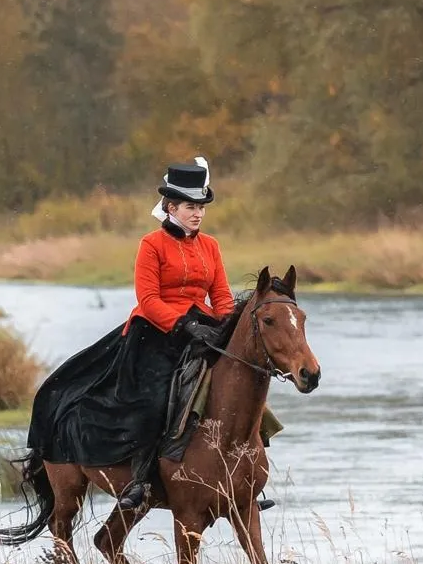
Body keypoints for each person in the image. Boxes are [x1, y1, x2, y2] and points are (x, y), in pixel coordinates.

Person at [22, 157, 275, 513]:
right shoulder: (151, 244)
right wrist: (184, 323)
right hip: (153, 334)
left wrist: (224, 324)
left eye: (201, 207)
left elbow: (219, 295)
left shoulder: (211, 246)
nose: (198, 214)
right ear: (171, 207)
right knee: (155, 401)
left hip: (202, 331)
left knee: (239, 389)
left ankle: (243, 479)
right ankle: (140, 480)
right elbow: (149, 299)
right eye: (190, 207)